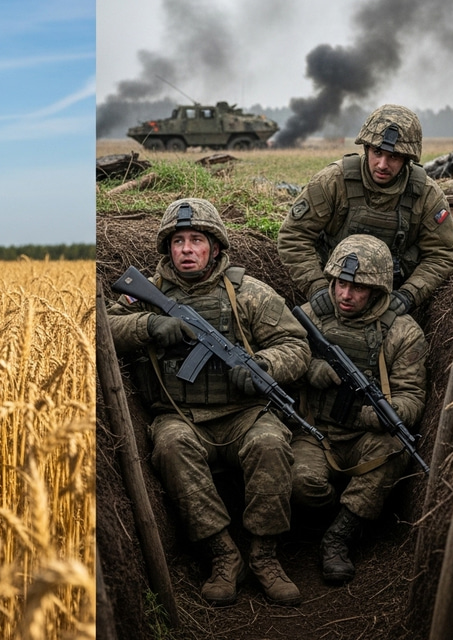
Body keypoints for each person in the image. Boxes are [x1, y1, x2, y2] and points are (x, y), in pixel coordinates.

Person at [107, 198, 311, 607]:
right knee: (170, 446)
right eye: (178, 241)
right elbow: (103, 325)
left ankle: (264, 556)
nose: (186, 249)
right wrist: (148, 324)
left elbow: (296, 344)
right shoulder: (148, 294)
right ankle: (223, 555)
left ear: (214, 247)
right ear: (167, 248)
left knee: (271, 443)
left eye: (196, 240)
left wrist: (262, 365)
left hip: (244, 414)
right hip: (180, 416)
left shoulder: (248, 293)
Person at [290, 234, 427, 584]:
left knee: (397, 447)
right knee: (302, 484)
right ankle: (334, 513)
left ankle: (339, 537)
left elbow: (411, 397)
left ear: (379, 290)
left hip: (366, 436)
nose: (346, 295)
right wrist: (309, 369)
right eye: (340, 283)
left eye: (358, 288)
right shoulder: (307, 318)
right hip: (314, 432)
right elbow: (272, 363)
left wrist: (372, 415)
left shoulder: (401, 332)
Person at [277, 104, 453, 319]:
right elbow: (293, 237)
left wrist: (409, 295)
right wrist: (316, 287)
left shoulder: (426, 195)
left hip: (392, 301)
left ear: (407, 159)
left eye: (394, 157)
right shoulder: (333, 181)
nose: (382, 164)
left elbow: (442, 254)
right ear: (366, 148)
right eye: (377, 152)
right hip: (333, 294)